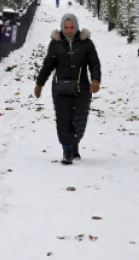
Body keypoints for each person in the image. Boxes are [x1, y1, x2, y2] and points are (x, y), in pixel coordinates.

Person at [34, 13, 101, 165]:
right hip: (60, 88)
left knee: (79, 119)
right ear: (62, 27)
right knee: (64, 120)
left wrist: (95, 80)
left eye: (72, 27)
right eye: (66, 27)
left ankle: (75, 144)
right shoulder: (55, 44)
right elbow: (47, 66)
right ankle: (66, 150)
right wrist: (39, 84)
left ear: (76, 27)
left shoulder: (86, 43)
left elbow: (94, 64)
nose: (69, 30)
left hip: (81, 88)